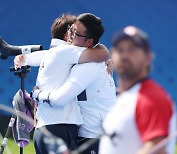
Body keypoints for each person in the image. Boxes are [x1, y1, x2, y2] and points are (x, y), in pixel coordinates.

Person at [14, 13, 110, 154]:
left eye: (75, 31)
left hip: (44, 130)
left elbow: (47, 55)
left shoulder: (56, 54)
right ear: (67, 35)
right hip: (59, 128)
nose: (72, 34)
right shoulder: (68, 52)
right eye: (72, 30)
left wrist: (25, 59)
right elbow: (102, 54)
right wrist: (105, 56)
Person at [99, 26, 177, 154]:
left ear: (148, 58)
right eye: (119, 49)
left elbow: (156, 149)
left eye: (132, 49)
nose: (124, 55)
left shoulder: (151, 97)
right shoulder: (126, 97)